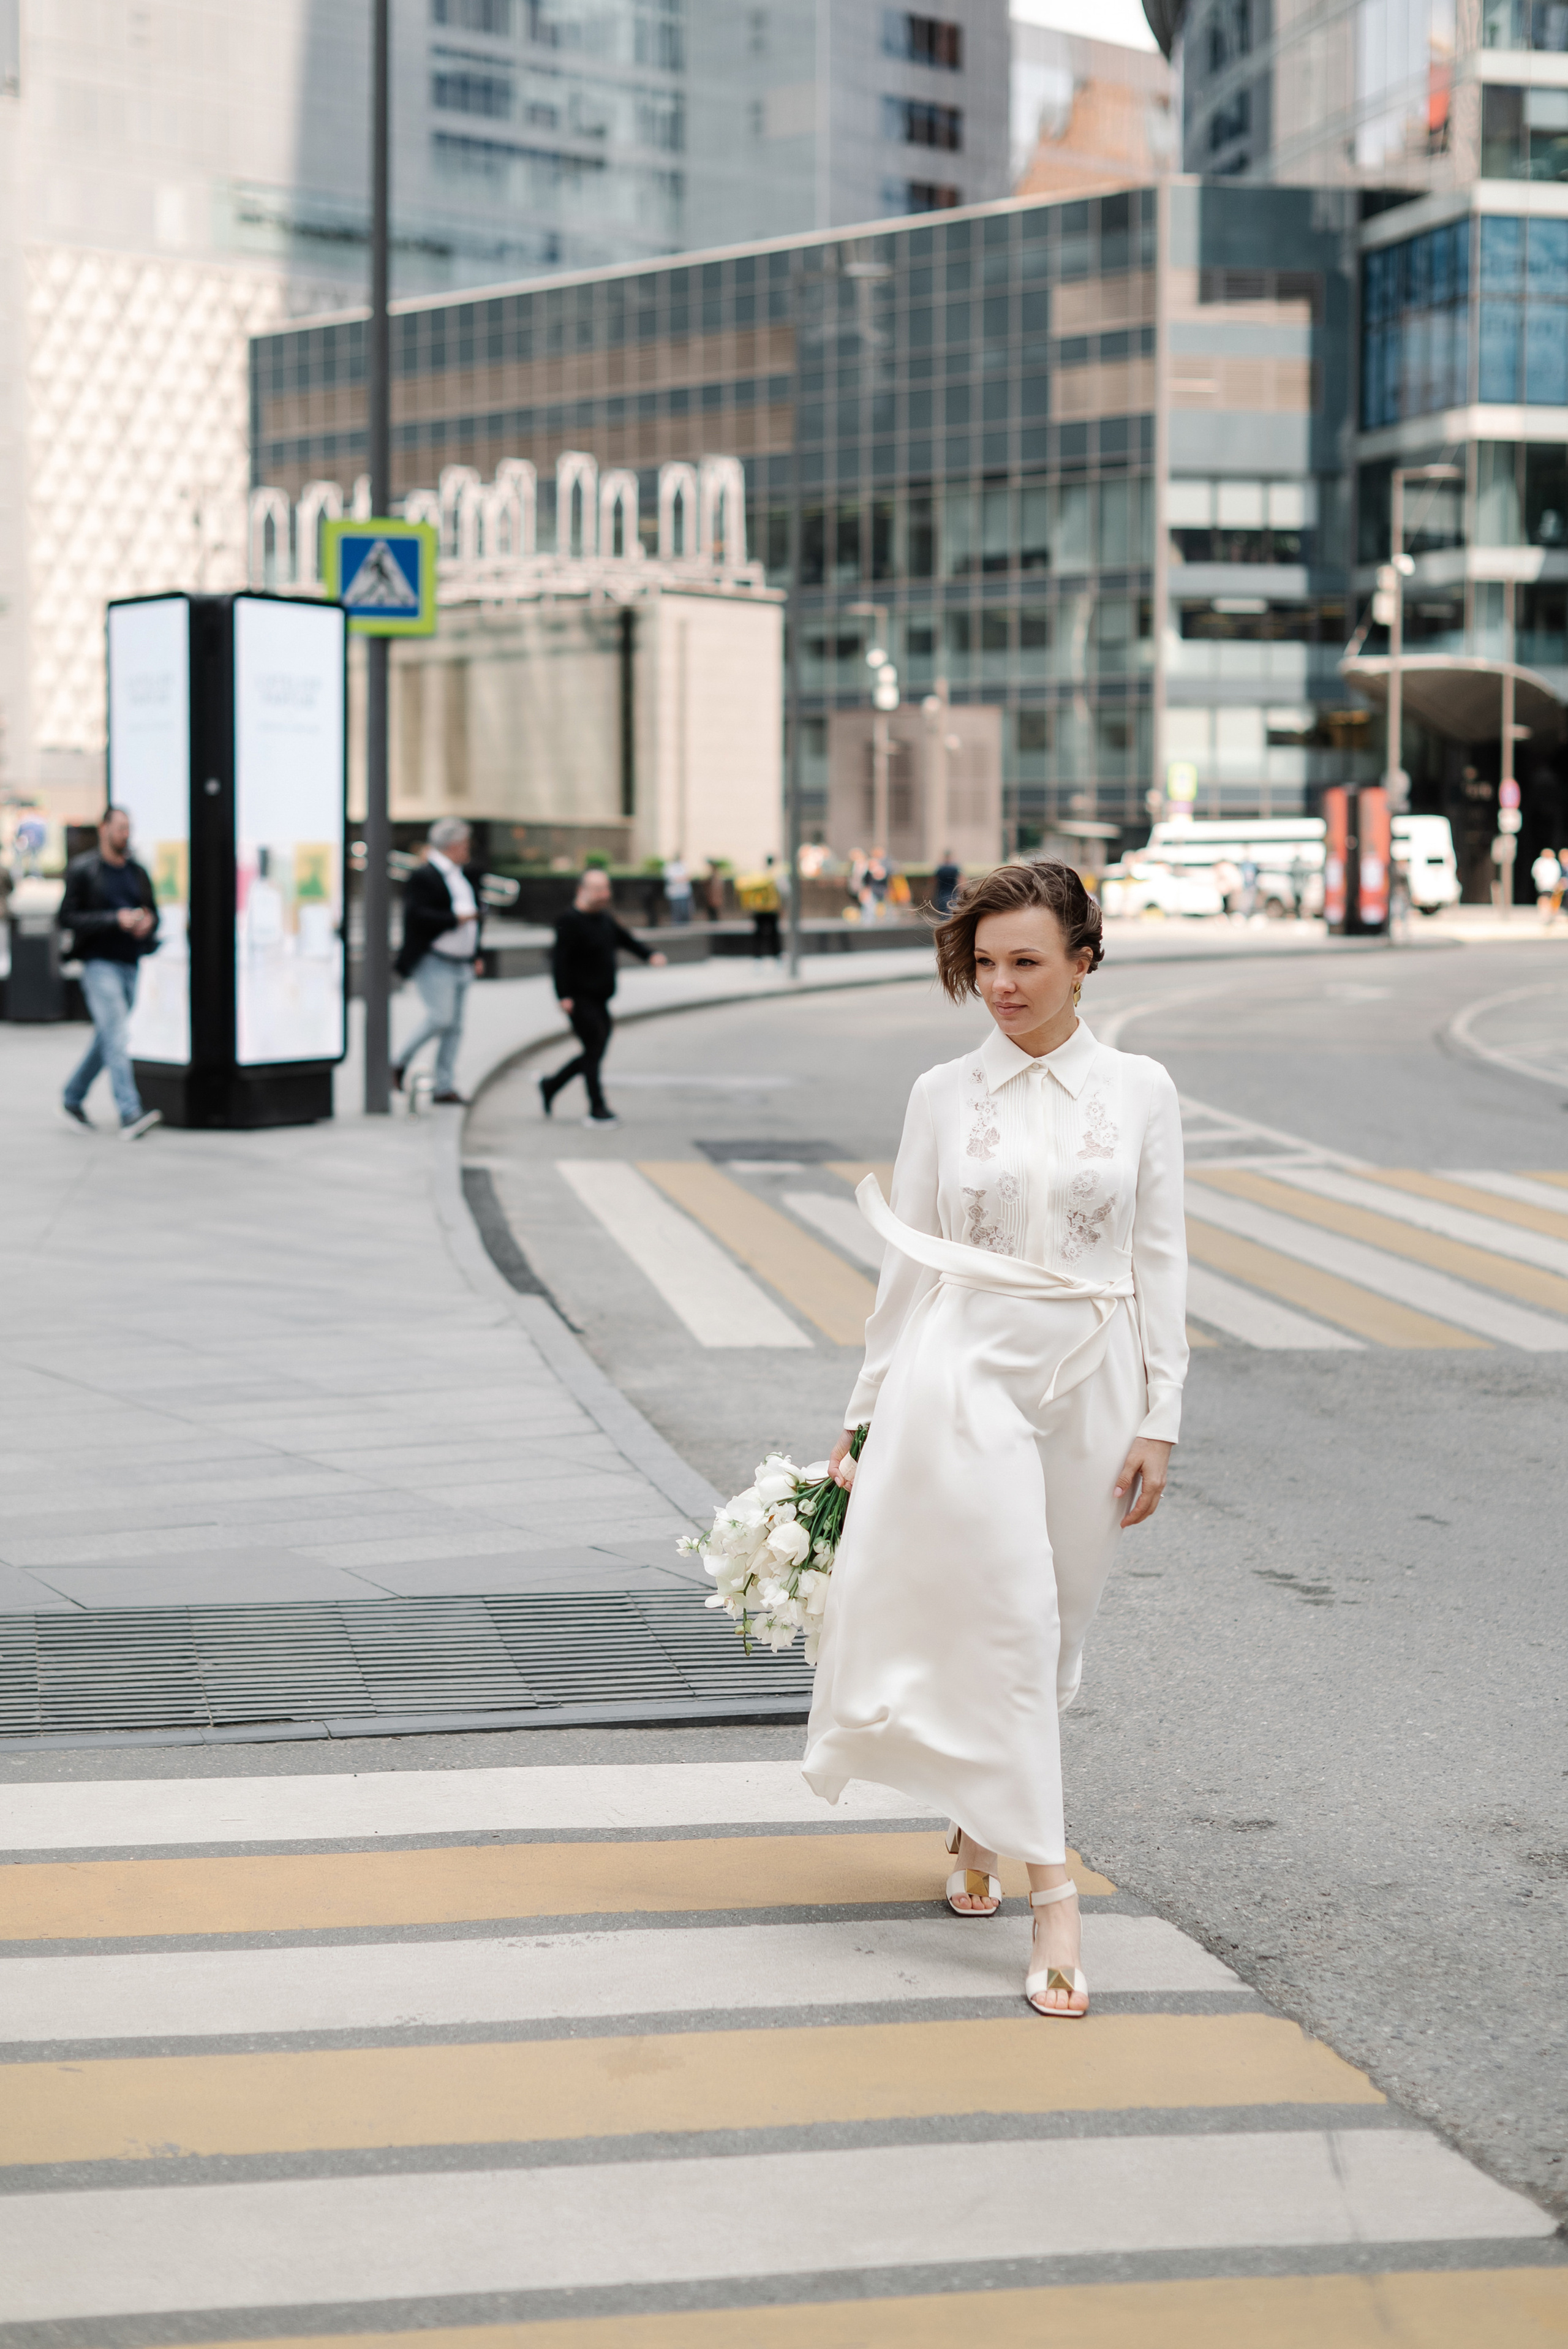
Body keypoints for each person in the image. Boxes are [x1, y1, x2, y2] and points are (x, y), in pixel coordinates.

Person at [803, 859, 1187, 2021]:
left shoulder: (1142, 1086)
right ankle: (1055, 1897)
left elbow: (1161, 1255)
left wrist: (1162, 1412)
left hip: (1095, 1373)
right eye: (985, 964)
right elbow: (907, 1264)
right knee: (1009, 1611)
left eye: (1027, 960)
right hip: (961, 1370)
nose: (1004, 985)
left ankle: (979, 1811)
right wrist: (865, 1417)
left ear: (1085, 956)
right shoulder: (939, 1091)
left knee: (1059, 1622)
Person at [58, 806, 162, 1138]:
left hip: (130, 962)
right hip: (98, 963)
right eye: (119, 828)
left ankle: (72, 1097)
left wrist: (146, 924)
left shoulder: (137, 872)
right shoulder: (84, 870)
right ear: (104, 829)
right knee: (117, 1034)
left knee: (107, 1038)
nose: (125, 834)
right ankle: (130, 1112)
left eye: (128, 828)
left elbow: (152, 911)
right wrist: (112, 920)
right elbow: (67, 918)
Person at [540, 866, 666, 1125]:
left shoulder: (605, 919)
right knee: (594, 1048)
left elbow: (627, 940)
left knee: (593, 1051)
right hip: (579, 998)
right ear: (581, 891)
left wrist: (650, 955)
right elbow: (559, 962)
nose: (603, 894)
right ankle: (597, 1107)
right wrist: (563, 995)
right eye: (597, 889)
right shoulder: (569, 921)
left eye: (606, 889)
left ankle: (551, 1085)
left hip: (601, 998)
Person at [393, 819, 486, 1105]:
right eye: (464, 844)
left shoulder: (460, 875)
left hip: (461, 961)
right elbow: (417, 917)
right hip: (436, 960)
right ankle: (397, 1062)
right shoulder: (425, 875)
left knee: (455, 1027)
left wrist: (476, 953)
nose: (468, 849)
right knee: (440, 1018)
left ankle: (444, 1086)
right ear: (453, 845)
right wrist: (456, 919)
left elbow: (475, 918)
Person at [663, 854, 694, 926]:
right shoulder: (670, 867)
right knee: (677, 912)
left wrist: (682, 878)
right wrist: (683, 878)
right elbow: (673, 879)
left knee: (685, 911)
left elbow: (688, 876)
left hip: (684, 893)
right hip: (675, 894)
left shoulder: (684, 865)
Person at [932, 849, 962, 915]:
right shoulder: (955, 869)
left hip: (941, 895)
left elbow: (934, 882)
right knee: (951, 914)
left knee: (942, 914)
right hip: (952, 895)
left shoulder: (940, 869)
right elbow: (960, 882)